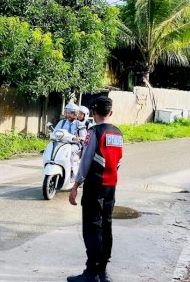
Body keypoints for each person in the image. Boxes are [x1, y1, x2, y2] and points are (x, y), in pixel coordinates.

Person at [68, 96, 123, 282]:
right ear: (111, 113)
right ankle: (103, 272)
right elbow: (118, 162)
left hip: (95, 187)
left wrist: (75, 185)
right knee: (106, 227)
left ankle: (91, 273)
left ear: (93, 112)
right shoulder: (118, 133)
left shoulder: (94, 132)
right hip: (110, 187)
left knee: (92, 229)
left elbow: (85, 161)